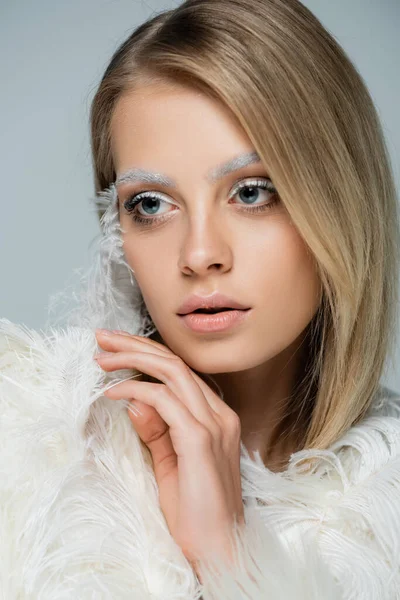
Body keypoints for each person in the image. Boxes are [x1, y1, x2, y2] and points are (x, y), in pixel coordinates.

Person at [1, 0, 400, 597]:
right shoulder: (28, 458)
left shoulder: (384, 517)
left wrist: (231, 564)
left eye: (252, 192)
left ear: (338, 199)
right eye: (151, 205)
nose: (199, 254)